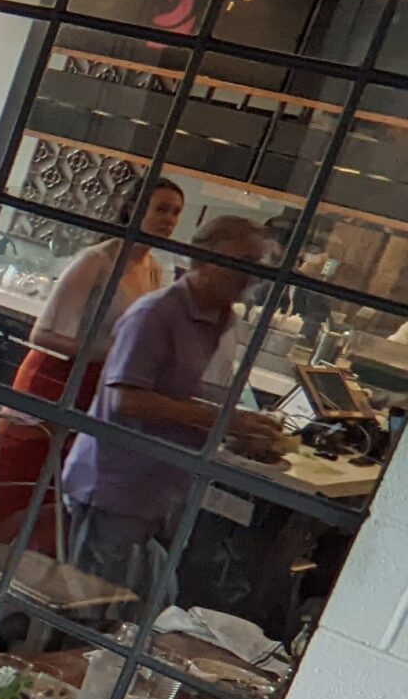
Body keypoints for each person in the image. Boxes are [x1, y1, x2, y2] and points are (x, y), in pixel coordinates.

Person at [61, 215, 290, 603]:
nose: (250, 274)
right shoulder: (155, 314)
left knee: (147, 605)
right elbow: (124, 399)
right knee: (95, 607)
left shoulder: (223, 322)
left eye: (258, 264)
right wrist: (224, 422)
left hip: (165, 487)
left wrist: (240, 430)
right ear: (201, 258)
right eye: (241, 260)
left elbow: (196, 395)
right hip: (117, 484)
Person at [0, 178, 185, 543]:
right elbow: (43, 335)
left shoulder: (154, 268)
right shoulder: (95, 262)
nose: (168, 219)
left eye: (175, 212)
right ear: (134, 211)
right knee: (26, 483)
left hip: (99, 391)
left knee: (67, 491)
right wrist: (114, 351)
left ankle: (39, 565)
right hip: (55, 381)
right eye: (161, 209)